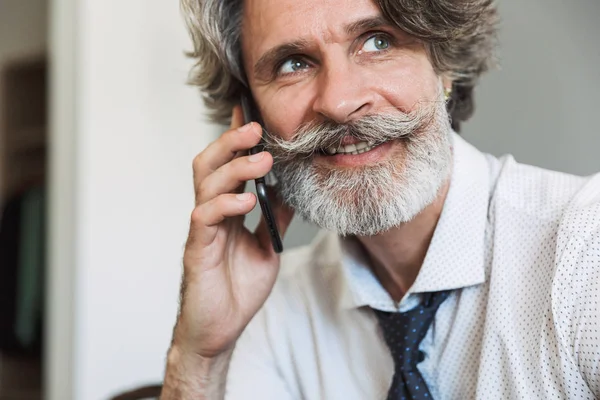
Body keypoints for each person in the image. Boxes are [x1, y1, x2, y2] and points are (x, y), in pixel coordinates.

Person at [160, 0, 600, 398]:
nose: (339, 101)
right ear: (250, 116)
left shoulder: (585, 251)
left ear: (444, 64)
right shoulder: (268, 306)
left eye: (377, 41)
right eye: (294, 63)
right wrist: (199, 360)